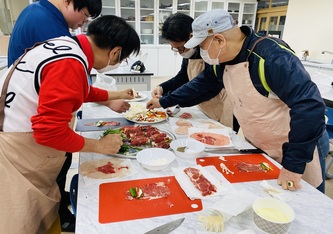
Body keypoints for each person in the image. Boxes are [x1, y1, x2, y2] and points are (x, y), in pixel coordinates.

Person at [0, 15, 140, 233]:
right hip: (18, 153)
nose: (117, 63)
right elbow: (49, 132)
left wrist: (115, 94)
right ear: (115, 52)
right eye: (121, 59)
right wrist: (100, 146)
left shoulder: (66, 46)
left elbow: (80, 90)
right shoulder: (70, 63)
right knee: (23, 220)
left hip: (17, 139)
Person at [184, 9, 330, 193]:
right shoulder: (223, 60)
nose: (201, 52)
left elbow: (310, 106)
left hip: (300, 145)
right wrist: (164, 101)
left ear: (219, 40)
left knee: (307, 205)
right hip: (264, 144)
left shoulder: (272, 56)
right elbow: (201, 85)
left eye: (202, 46)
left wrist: (294, 164)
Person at [146, 13, 235, 129]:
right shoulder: (190, 53)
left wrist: (165, 101)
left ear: (192, 37)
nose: (180, 52)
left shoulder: (211, 52)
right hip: (204, 104)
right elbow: (183, 77)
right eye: (175, 49)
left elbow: (204, 82)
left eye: (181, 48)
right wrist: (162, 88)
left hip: (222, 104)